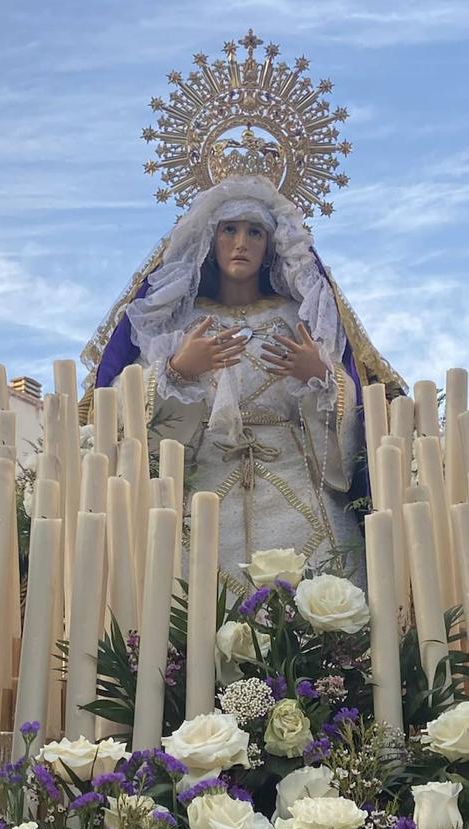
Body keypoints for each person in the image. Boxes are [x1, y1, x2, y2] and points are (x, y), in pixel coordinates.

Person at [80, 175, 403, 595]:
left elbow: (351, 414)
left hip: (296, 486)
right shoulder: (178, 319)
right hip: (202, 489)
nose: (241, 243)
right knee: (186, 601)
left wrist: (319, 377)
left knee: (321, 602)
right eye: (229, 229)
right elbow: (123, 410)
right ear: (208, 241)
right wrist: (177, 371)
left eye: (255, 232)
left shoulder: (300, 315)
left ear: (271, 245)